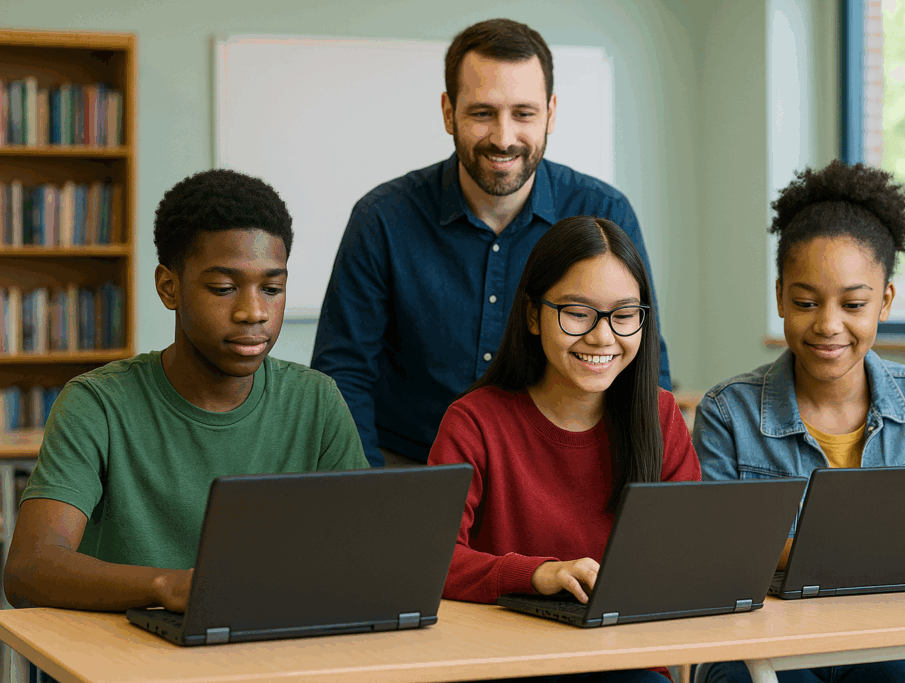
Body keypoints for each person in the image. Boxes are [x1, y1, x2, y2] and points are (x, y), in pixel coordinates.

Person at [691, 160, 905, 683]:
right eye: (805, 302)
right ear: (780, 297)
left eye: (853, 304)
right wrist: (868, 557)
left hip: (889, 647)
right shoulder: (727, 413)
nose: (828, 324)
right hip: (757, 651)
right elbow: (712, 546)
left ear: (884, 301)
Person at [311, 18, 672, 468]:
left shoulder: (604, 213)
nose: (504, 138)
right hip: (411, 465)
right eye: (482, 113)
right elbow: (343, 372)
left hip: (550, 474)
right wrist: (370, 488)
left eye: (524, 113)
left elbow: (642, 360)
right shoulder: (382, 218)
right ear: (449, 112)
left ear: (551, 113)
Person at [4, 169, 368, 613]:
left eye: (272, 288)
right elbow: (29, 570)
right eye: (223, 288)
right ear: (168, 287)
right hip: (128, 664)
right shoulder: (97, 404)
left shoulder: (316, 401)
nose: (253, 312)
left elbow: (360, 558)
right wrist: (166, 587)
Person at [429, 216, 699, 683]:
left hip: (624, 664)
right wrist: (538, 575)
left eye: (624, 314)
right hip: (503, 664)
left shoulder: (660, 417)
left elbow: (691, 556)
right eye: (577, 312)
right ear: (534, 315)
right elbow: (432, 559)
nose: (602, 336)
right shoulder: (473, 422)